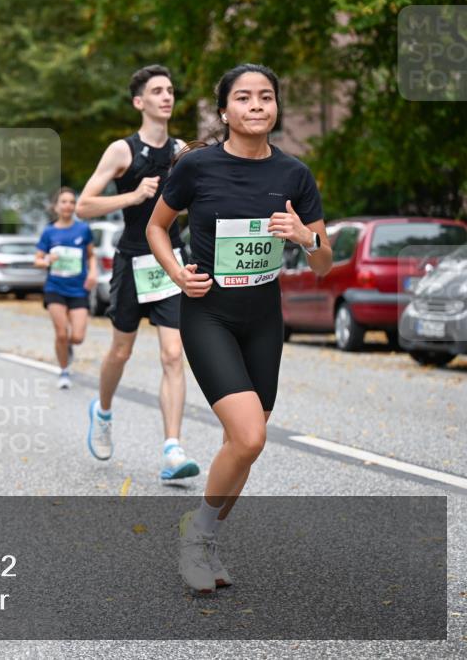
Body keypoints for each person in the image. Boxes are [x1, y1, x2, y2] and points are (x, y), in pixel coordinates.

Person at [147, 64, 331, 593]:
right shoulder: (198, 167)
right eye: (244, 98)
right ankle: (198, 535)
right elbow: (158, 226)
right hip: (209, 312)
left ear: (275, 108)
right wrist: (177, 272)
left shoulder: (294, 175)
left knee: (244, 442)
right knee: (250, 434)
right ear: (224, 110)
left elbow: (323, 263)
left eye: (266, 97)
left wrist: (304, 236)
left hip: (263, 320)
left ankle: (204, 537)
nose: (256, 106)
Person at [76, 64, 199, 482]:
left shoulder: (183, 149)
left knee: (172, 353)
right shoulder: (122, 151)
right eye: (158, 91)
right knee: (122, 351)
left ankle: (172, 448)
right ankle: (104, 411)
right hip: (132, 259)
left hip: (171, 258)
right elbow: (84, 206)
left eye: (170, 91)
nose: (167, 97)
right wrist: (134, 194)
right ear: (139, 101)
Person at [34, 188, 96, 390]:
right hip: (55, 288)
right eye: (64, 202)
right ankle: (64, 370)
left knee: (77, 337)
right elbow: (37, 259)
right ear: (56, 206)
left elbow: (91, 255)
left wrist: (93, 272)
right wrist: (46, 261)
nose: (68, 205)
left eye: (71, 202)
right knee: (61, 333)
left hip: (78, 289)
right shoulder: (49, 231)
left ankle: (67, 347)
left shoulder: (83, 230)